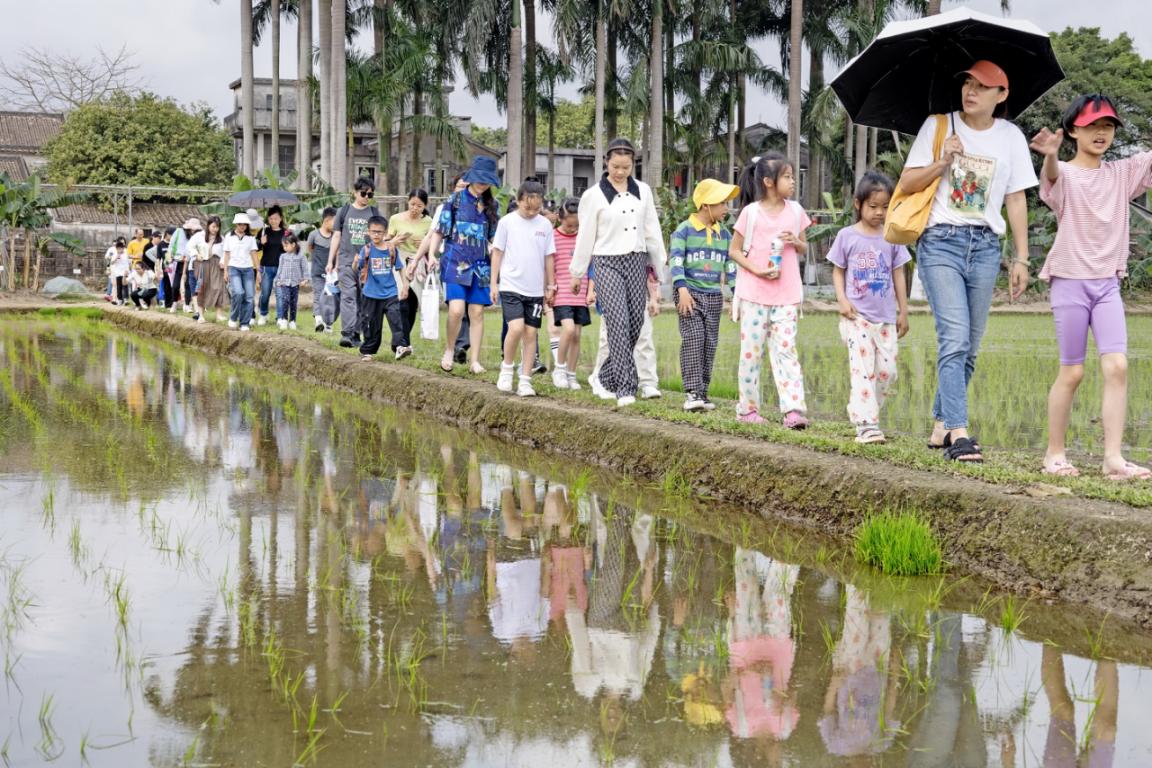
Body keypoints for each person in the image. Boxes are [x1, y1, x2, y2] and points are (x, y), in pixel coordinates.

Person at [899, 60, 1038, 463]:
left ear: (1002, 94)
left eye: (982, 86)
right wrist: (942, 162)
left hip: (986, 246)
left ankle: (941, 424)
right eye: (967, 83)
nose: (971, 91)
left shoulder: (1010, 137)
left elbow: (1016, 198)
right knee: (955, 338)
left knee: (970, 348)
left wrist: (1022, 259)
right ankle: (960, 434)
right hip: (941, 241)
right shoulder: (938, 126)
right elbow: (906, 183)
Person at [1030, 95, 1152, 480]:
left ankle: (1113, 458)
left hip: (1107, 285)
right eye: (1092, 125)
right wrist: (1050, 154)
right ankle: (1054, 453)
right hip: (1070, 281)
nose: (1101, 133)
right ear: (1072, 131)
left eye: (1108, 126)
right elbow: (1051, 178)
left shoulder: (1122, 173)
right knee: (1073, 372)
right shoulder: (1063, 172)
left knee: (1117, 366)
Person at [569, 137, 667, 407]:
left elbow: (652, 230)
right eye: (615, 166)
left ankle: (603, 377)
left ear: (632, 164)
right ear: (606, 163)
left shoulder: (643, 192)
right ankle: (625, 387)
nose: (620, 172)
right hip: (606, 262)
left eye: (626, 167)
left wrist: (660, 265)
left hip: (636, 260)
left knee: (636, 322)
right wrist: (577, 272)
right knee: (618, 323)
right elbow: (585, 236)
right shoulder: (593, 196)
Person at [728, 152, 813, 428]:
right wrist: (757, 270)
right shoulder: (750, 213)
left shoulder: (797, 211)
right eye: (787, 177)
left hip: (787, 295)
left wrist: (795, 242)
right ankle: (747, 410)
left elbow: (804, 247)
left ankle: (793, 411)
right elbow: (734, 251)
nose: (792, 182)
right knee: (751, 353)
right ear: (768, 181)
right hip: (753, 294)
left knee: (786, 350)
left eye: (791, 176)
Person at [827, 171, 911, 444]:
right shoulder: (846, 236)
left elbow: (899, 274)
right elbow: (838, 271)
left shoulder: (892, 236)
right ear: (858, 204)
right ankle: (866, 424)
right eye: (873, 206)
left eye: (885, 207)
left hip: (885, 318)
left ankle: (862, 411)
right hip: (856, 317)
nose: (879, 212)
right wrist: (842, 300)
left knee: (887, 372)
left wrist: (904, 311)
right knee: (863, 370)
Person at [423, 156, 502, 374]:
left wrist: (494, 252)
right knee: (456, 311)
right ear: (471, 178)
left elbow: (495, 239)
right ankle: (449, 349)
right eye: (479, 179)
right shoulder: (455, 201)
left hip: (481, 267)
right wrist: (431, 255)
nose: (482, 183)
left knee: (476, 313)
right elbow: (439, 231)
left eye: (486, 180)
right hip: (455, 262)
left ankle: (474, 360)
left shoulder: (493, 206)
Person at [670, 178, 738, 412]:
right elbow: (676, 261)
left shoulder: (725, 235)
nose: (726, 209)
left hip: (713, 296)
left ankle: (703, 392)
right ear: (707, 204)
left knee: (709, 344)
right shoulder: (684, 230)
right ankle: (692, 393)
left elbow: (730, 267)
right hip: (689, 293)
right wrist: (682, 290)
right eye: (722, 204)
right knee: (693, 341)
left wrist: (735, 296)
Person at [491, 178, 557, 397]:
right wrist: (494, 282)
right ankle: (507, 369)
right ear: (518, 201)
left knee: (531, 333)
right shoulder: (507, 222)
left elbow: (549, 257)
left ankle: (526, 379)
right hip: (511, 285)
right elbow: (497, 252)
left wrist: (550, 285)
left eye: (536, 208)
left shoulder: (545, 225)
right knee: (516, 328)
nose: (531, 212)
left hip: (535, 289)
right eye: (527, 207)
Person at [327, 177, 382, 348]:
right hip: (345, 261)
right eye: (363, 193)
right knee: (348, 296)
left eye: (370, 194)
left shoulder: (374, 213)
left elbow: (380, 237)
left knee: (363, 300)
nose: (366, 197)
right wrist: (331, 261)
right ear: (355, 192)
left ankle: (358, 333)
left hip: (367, 264)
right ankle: (348, 333)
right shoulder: (343, 212)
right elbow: (336, 236)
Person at [547, 197, 593, 390]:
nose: (572, 229)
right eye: (569, 225)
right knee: (568, 329)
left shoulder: (584, 238)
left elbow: (591, 267)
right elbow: (548, 265)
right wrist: (550, 289)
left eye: (576, 226)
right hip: (561, 294)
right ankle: (559, 368)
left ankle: (572, 374)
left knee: (576, 335)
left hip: (580, 294)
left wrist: (591, 290)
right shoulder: (552, 237)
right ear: (560, 218)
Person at [356, 215, 411, 361]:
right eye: (373, 231)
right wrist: (356, 262)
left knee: (396, 320)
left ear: (385, 233)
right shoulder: (366, 250)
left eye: (379, 232)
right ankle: (367, 350)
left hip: (390, 292)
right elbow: (357, 268)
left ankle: (400, 346)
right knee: (372, 325)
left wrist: (405, 285)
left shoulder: (391, 249)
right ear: (368, 232)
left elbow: (400, 268)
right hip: (370, 294)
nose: (376, 235)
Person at [389, 189, 433, 347]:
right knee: (402, 301)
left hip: (418, 263)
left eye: (419, 206)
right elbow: (386, 241)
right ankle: (402, 342)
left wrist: (424, 245)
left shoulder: (429, 221)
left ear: (425, 206)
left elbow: (434, 244)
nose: (415, 208)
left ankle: (404, 341)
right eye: (412, 204)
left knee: (413, 304)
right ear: (407, 202)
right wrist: (395, 240)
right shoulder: (396, 219)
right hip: (400, 261)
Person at [188, 215, 228, 324]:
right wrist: (196, 255)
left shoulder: (222, 238)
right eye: (213, 226)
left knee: (218, 287)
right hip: (202, 263)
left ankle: (219, 314)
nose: (215, 229)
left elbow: (226, 251)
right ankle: (201, 315)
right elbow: (190, 246)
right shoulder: (199, 236)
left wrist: (223, 261)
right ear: (208, 225)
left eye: (217, 227)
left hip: (216, 264)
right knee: (202, 288)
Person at [222, 212, 259, 331]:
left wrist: (259, 271)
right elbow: (227, 254)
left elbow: (254, 254)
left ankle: (244, 323)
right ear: (236, 224)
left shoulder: (251, 238)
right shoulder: (229, 236)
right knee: (238, 292)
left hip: (248, 269)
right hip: (234, 268)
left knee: (249, 297)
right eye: (240, 224)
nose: (242, 226)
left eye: (244, 224)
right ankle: (233, 317)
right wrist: (225, 271)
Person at [308, 207, 338, 332]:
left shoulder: (335, 237)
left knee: (330, 297)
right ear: (327, 220)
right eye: (335, 222)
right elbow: (310, 248)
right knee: (318, 295)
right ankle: (318, 319)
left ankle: (328, 323)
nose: (336, 225)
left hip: (331, 274)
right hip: (317, 272)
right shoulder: (313, 235)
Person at [256, 205, 286, 326]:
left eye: (276, 218)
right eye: (271, 218)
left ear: (281, 219)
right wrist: (261, 243)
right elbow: (255, 248)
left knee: (280, 294)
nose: (273, 221)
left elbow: (290, 250)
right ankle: (263, 314)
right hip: (266, 267)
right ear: (268, 219)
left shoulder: (286, 233)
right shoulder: (264, 231)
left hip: (281, 268)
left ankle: (280, 317)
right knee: (265, 293)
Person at [273, 231, 307, 330]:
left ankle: (292, 321)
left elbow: (305, 269)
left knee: (293, 302)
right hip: (284, 283)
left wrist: (305, 280)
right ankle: (283, 319)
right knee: (285, 300)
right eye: (283, 246)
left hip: (295, 283)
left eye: (286, 245)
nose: (284, 248)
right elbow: (280, 269)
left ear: (293, 244)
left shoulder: (301, 256)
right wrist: (278, 279)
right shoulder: (283, 256)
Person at [107, 237, 130, 305]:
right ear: (116, 249)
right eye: (118, 249)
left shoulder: (126, 255)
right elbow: (112, 263)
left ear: (123, 248)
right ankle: (119, 299)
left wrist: (128, 271)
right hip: (118, 273)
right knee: (119, 287)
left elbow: (128, 263)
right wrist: (116, 257)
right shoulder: (115, 255)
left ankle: (126, 299)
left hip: (125, 273)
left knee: (125, 286)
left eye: (121, 248)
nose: (119, 250)